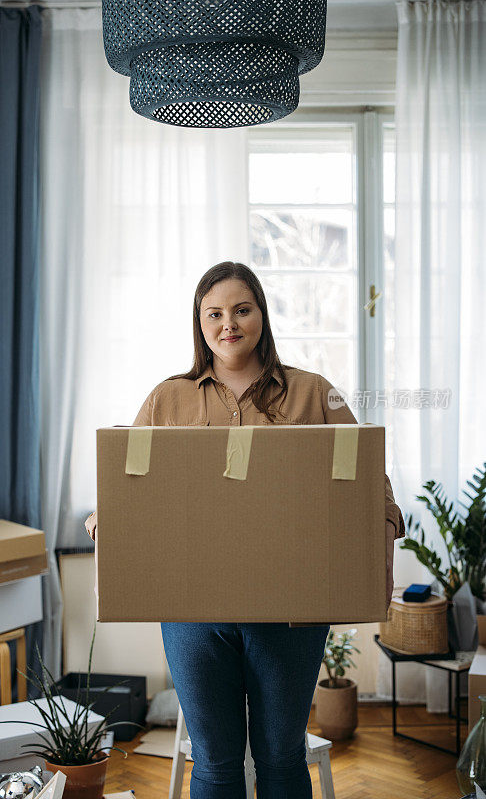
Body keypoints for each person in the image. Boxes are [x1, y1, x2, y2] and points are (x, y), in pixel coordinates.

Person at [85, 260, 405, 799]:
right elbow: (127, 481)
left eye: (241, 310)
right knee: (213, 763)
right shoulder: (169, 398)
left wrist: (383, 523)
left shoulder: (313, 391)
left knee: (281, 759)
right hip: (193, 613)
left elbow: (368, 470)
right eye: (215, 313)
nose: (228, 324)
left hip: (291, 613)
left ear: (261, 314)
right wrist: (105, 519)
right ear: (199, 322)